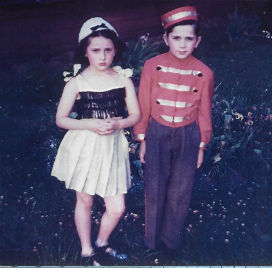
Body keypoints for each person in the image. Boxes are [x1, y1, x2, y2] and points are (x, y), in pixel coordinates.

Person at [51, 17, 140, 265]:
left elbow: (135, 115)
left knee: (116, 207)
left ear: (115, 50)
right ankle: (87, 249)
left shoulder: (123, 79)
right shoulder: (78, 82)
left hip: (111, 147)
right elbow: (61, 119)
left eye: (108, 50)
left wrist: (119, 123)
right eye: (96, 50)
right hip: (85, 147)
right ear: (85, 52)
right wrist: (89, 123)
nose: (102, 56)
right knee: (85, 199)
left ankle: (102, 241)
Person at [134, 6, 214, 253]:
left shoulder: (205, 72)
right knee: (155, 185)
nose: (182, 44)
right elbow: (144, 104)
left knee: (181, 188)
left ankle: (171, 241)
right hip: (157, 131)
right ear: (166, 38)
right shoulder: (151, 66)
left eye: (189, 38)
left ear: (197, 41)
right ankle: (151, 241)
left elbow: (204, 111)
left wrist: (201, 145)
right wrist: (142, 138)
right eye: (176, 38)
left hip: (188, 133)